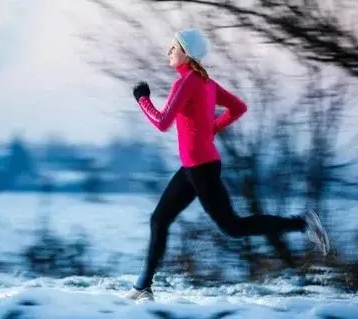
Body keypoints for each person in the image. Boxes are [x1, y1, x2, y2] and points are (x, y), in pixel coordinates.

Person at [124, 28, 330, 302]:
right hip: (194, 168)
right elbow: (239, 107)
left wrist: (143, 99)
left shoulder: (186, 83)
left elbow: (162, 123)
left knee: (234, 227)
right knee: (159, 219)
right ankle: (143, 288)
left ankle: (303, 224)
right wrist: (211, 129)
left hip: (201, 169)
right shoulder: (205, 83)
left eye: (174, 47)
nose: (169, 51)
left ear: (187, 53)